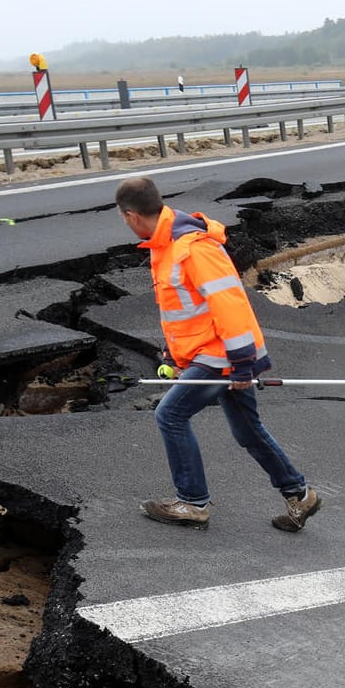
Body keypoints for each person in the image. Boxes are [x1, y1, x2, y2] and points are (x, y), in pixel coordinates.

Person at [115, 176, 321, 532]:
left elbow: (230, 304)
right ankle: (299, 494)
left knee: (170, 415)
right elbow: (183, 309)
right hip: (209, 351)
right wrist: (174, 357)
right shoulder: (164, 246)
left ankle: (192, 502)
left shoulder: (192, 247)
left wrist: (241, 364)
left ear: (131, 215)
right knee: (247, 430)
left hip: (222, 354)